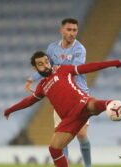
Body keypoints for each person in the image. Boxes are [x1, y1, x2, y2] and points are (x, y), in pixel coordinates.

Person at [4, 51, 121, 167]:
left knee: (94, 105)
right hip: (69, 119)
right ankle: (117, 107)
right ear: (35, 68)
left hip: (82, 104)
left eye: (47, 61)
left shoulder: (63, 70)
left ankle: (119, 106)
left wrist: (112, 62)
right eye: (41, 64)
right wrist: (10, 110)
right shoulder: (42, 86)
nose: (46, 65)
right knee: (54, 149)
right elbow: (29, 101)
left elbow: (87, 67)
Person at [24, 18, 92, 166]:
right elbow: (46, 69)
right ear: (62, 30)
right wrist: (33, 78)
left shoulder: (79, 49)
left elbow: (74, 69)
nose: (72, 33)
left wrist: (57, 68)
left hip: (79, 95)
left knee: (81, 134)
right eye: (69, 30)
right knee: (61, 136)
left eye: (75, 30)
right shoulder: (52, 48)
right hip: (61, 96)